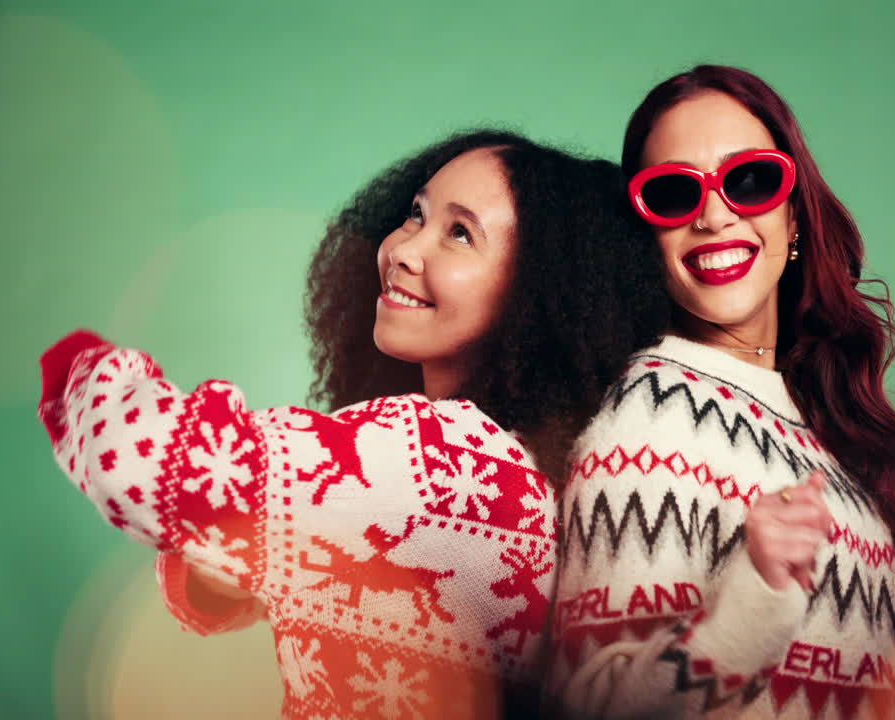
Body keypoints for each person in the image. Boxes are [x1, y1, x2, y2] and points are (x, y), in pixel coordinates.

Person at [37, 129, 670, 720]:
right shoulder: (537, 478)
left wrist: (77, 364)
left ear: (536, 295)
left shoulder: (436, 458)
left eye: (459, 236)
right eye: (417, 214)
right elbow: (252, 571)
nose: (404, 250)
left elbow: (140, 459)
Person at [546, 66, 895, 720]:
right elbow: (589, 705)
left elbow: (855, 674)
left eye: (750, 180)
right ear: (646, 238)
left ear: (795, 215)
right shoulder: (648, 417)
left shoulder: (816, 420)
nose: (715, 216)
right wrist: (752, 601)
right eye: (672, 195)